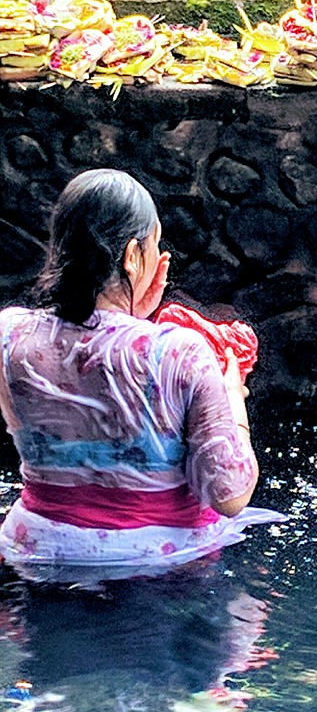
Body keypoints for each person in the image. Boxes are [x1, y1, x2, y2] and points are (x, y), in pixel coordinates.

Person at [0, 169, 275, 577]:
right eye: (154, 243)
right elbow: (228, 494)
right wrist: (234, 399)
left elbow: (82, 348)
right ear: (132, 255)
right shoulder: (181, 353)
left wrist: (129, 317)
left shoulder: (10, 334)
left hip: (37, 552)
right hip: (158, 567)